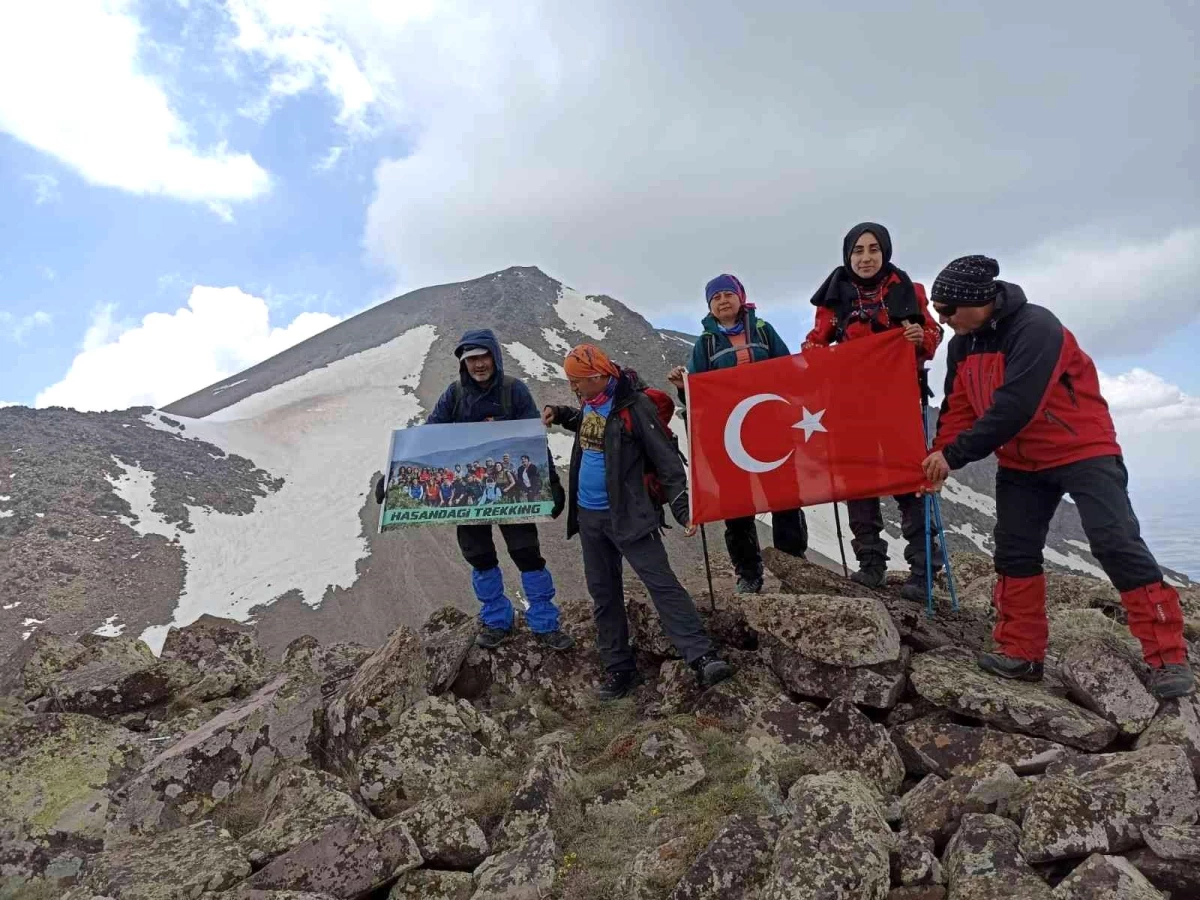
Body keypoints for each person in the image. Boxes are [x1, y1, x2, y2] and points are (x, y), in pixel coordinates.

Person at [921, 255, 1193, 699]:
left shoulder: (1036, 328)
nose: (942, 319)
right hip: (1021, 461)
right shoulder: (962, 343)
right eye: (937, 310)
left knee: (1115, 540)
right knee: (1014, 551)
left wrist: (954, 454)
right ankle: (1022, 652)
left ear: (980, 301)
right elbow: (960, 408)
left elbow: (1017, 404)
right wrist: (939, 456)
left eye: (948, 310)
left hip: (1082, 449)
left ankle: (1168, 657)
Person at [543, 343, 734, 699]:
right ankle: (619, 670)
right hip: (589, 518)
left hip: (630, 516)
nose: (573, 387)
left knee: (661, 583)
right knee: (604, 594)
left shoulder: (635, 406)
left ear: (599, 376)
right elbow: (589, 426)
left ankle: (702, 656)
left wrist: (682, 510)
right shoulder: (592, 402)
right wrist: (561, 412)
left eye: (577, 381)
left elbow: (667, 462)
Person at [379, 328, 573, 651]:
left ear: (494, 356)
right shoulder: (454, 396)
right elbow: (428, 436)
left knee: (527, 553)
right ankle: (497, 619)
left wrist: (550, 480)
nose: (478, 364)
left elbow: (533, 440)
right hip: (468, 499)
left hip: (510, 497)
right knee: (479, 555)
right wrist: (390, 476)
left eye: (483, 356)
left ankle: (545, 623)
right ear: (463, 363)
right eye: (471, 359)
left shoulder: (515, 392)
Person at [804, 222, 944, 600]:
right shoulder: (834, 298)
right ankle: (870, 565)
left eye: (873, 250)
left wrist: (920, 339)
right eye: (858, 251)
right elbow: (815, 343)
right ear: (847, 255)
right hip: (851, 406)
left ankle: (923, 568)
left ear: (885, 252)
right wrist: (819, 356)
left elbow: (932, 335)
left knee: (908, 477)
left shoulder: (907, 290)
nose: (865, 258)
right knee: (858, 480)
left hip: (899, 401)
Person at [668, 273, 809, 594]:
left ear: (741, 297)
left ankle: (794, 567)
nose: (722, 301)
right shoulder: (705, 343)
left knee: (784, 497)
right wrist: (683, 387)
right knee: (737, 504)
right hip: (731, 437)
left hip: (770, 429)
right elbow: (698, 392)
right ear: (709, 306)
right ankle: (748, 573)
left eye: (728, 294)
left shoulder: (763, 330)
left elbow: (787, 369)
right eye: (715, 298)